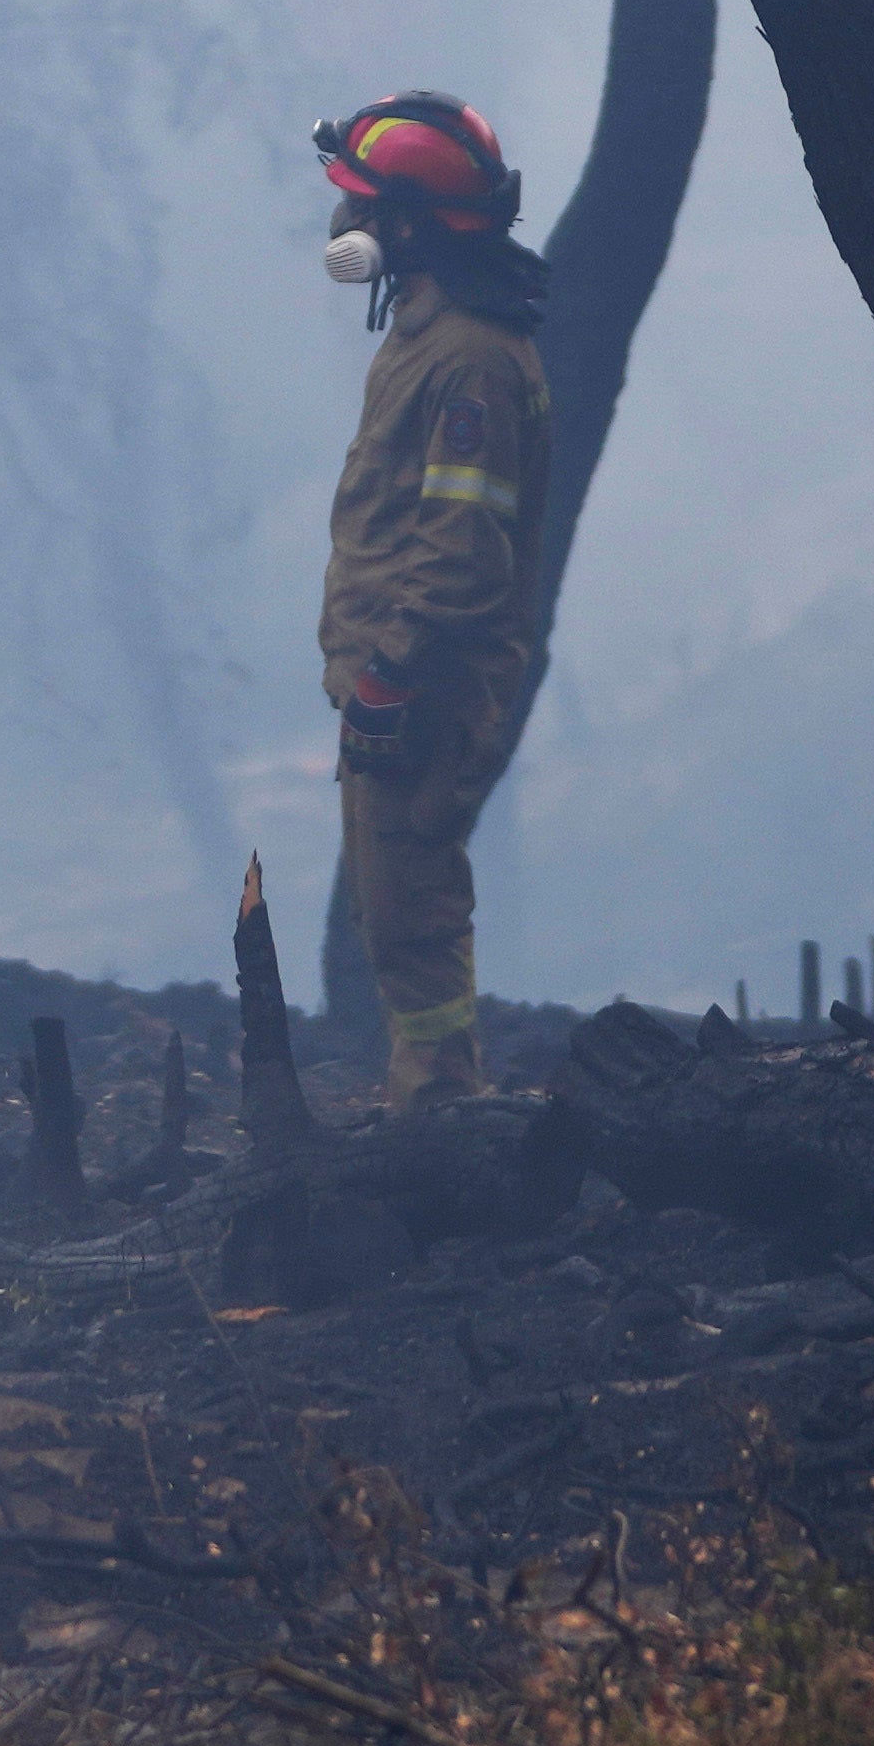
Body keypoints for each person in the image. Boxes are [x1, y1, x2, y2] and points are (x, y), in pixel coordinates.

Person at [306, 89, 555, 1106]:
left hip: (426, 676)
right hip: (395, 672)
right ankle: (432, 1102)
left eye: (365, 205)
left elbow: (459, 550)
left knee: (411, 904)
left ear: (412, 223)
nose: (345, 226)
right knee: (390, 900)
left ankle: (444, 1112)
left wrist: (392, 669)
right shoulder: (429, 330)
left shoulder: (470, 361)